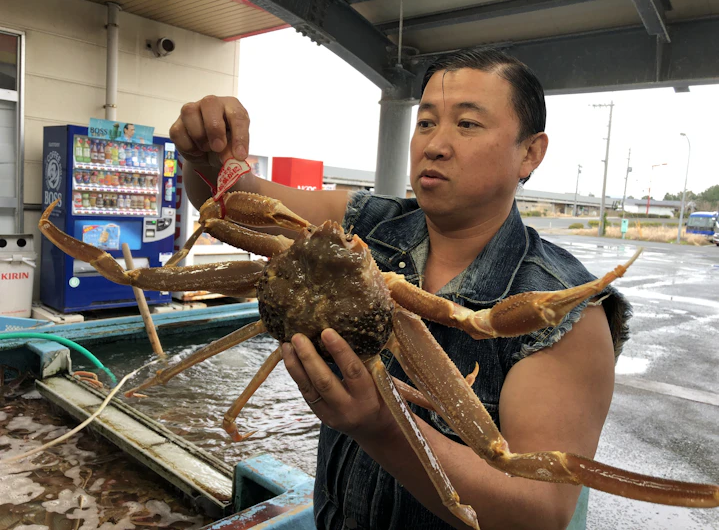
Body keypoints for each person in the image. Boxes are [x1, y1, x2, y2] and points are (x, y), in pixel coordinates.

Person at [170, 48, 629, 530]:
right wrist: (202, 152)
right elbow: (229, 205)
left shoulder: (559, 308)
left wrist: (383, 428)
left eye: (467, 124)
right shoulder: (365, 227)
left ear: (530, 152)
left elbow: (538, 513)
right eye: (426, 123)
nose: (435, 145)